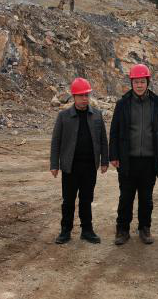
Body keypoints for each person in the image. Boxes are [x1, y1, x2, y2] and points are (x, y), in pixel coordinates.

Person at [109, 64, 158, 245]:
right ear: (131, 83)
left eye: (142, 82)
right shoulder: (122, 104)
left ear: (147, 82)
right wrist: (114, 155)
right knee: (125, 197)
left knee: (146, 198)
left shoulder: (157, 103)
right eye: (136, 82)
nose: (139, 85)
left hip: (150, 161)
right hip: (128, 160)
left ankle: (145, 228)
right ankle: (122, 230)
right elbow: (114, 131)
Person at [50, 77, 108, 244]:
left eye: (86, 95)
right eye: (81, 95)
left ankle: (87, 230)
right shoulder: (63, 116)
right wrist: (54, 164)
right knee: (68, 200)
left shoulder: (96, 115)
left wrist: (104, 161)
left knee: (86, 199)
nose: (84, 98)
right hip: (70, 167)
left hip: (89, 166)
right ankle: (65, 231)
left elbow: (103, 140)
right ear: (74, 96)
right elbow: (56, 142)